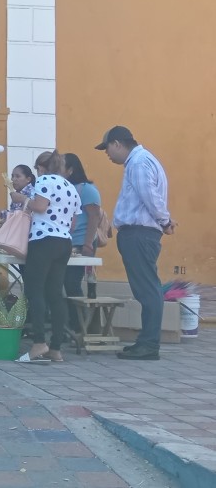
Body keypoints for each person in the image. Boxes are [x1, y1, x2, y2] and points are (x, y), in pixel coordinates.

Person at [96, 125, 175, 361]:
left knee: (148, 290)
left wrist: (165, 220)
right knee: (146, 289)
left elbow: (150, 196)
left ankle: (149, 344)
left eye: (107, 149)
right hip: (139, 233)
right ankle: (145, 341)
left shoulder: (139, 162)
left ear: (118, 143)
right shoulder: (141, 161)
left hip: (139, 234)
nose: (107, 154)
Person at [19, 151, 81, 364]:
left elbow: (40, 207)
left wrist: (22, 200)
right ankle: (55, 347)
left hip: (43, 239)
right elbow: (73, 223)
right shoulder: (70, 187)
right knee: (55, 293)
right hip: (64, 241)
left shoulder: (45, 181)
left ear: (42, 167)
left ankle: (38, 342)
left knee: (34, 290)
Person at [62, 153, 101, 299]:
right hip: (65, 241)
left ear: (70, 169)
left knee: (72, 282)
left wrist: (88, 243)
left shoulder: (86, 189)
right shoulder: (63, 187)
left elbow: (94, 216)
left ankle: (78, 320)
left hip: (81, 241)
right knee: (63, 282)